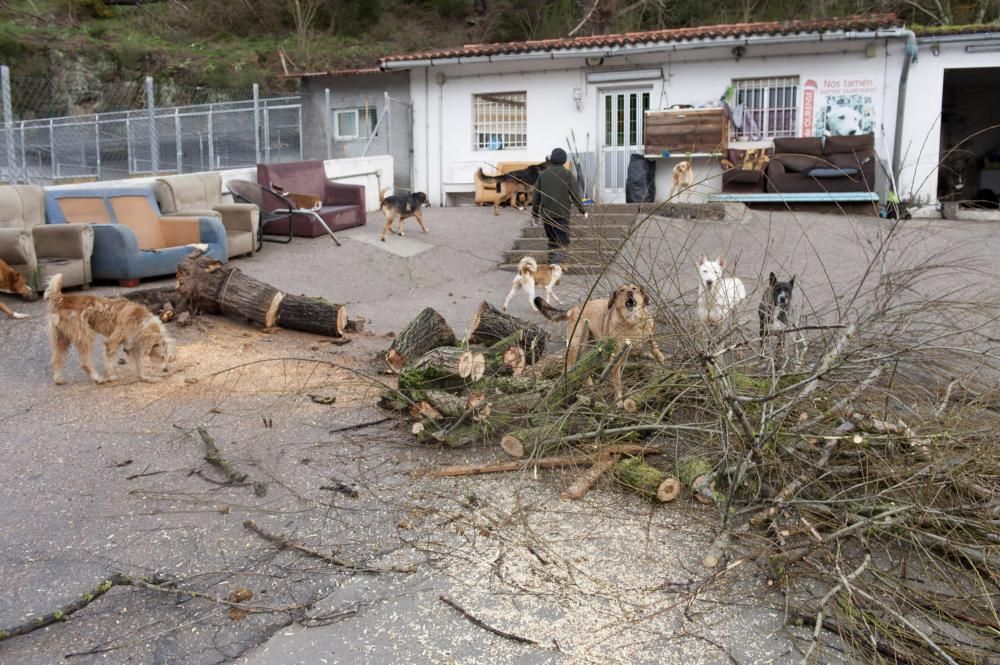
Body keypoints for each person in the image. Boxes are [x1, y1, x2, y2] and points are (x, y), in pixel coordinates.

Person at [531, 147, 588, 265]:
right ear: (564, 160)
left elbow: (536, 196)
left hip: (546, 215)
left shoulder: (543, 175)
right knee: (563, 240)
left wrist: (535, 215)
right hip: (562, 214)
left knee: (552, 240)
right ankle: (558, 266)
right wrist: (583, 210)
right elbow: (575, 194)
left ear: (551, 159)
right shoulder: (568, 174)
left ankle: (552, 264)